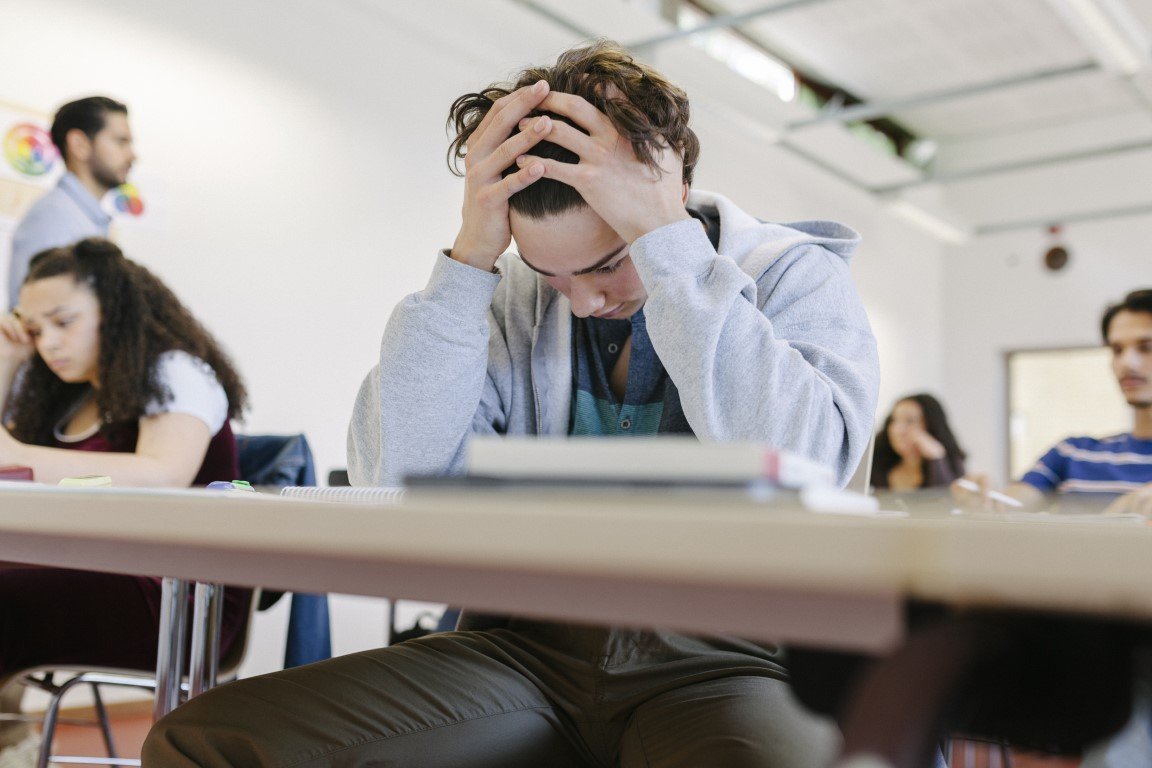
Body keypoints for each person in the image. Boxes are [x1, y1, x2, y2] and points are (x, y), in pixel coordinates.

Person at [143, 40, 879, 767]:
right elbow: (400, 480)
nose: (585, 301)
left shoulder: (794, 278)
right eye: (552, 274)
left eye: (612, 261)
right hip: (529, 650)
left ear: (673, 189)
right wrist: (469, 260)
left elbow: (805, 461)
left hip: (738, 658)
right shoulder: (508, 302)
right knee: (201, 739)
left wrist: (666, 249)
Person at [0, 238, 249, 766]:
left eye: (64, 322)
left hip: (178, 599)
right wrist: (7, 360)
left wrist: (20, 454)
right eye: (36, 328)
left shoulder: (175, 371)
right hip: (102, 575)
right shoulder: (67, 396)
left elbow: (161, 475)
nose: (49, 342)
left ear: (114, 313)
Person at [955, 288, 1152, 516]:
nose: (1127, 362)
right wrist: (984, 500)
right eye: (1117, 350)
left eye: (1146, 347)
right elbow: (1009, 507)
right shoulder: (1072, 453)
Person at [7, 96, 134, 308]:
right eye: (121, 142)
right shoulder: (53, 217)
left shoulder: (86, 219)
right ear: (79, 144)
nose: (132, 155)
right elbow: (36, 318)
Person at [871, 393, 966, 491]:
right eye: (894, 420)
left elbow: (945, 500)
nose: (898, 430)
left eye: (910, 421)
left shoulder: (952, 465)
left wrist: (936, 458)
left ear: (931, 425)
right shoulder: (875, 463)